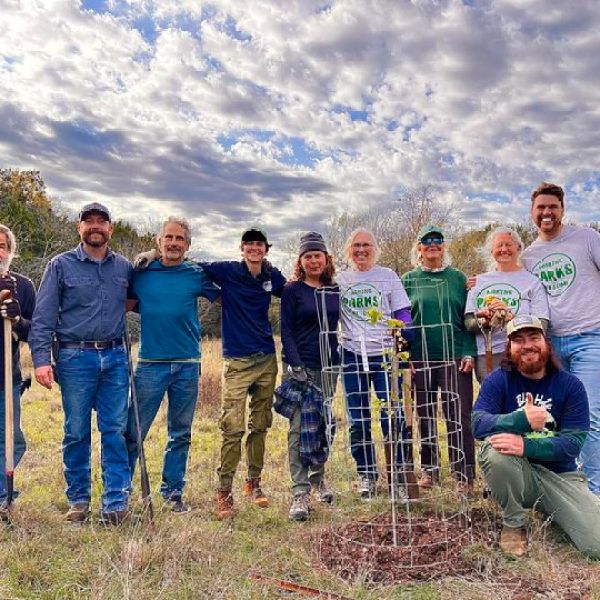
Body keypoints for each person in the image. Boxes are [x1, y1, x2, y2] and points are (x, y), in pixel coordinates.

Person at [30, 203, 132, 525]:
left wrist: (152, 259)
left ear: (111, 229)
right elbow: (43, 318)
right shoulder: (60, 266)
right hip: (75, 358)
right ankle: (78, 499)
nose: (95, 226)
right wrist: (42, 360)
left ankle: (115, 502)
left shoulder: (125, 268)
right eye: (89, 222)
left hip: (115, 357)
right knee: (76, 431)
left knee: (114, 429)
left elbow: (143, 293)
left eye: (102, 221)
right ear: (79, 228)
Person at [472, 314, 600, 558]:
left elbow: (572, 444)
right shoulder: (499, 380)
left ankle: (556, 512)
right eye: (518, 340)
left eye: (534, 337)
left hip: (560, 477)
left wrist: (525, 445)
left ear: (547, 344)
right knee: (495, 449)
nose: (527, 345)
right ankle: (514, 522)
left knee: (596, 545)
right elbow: (478, 424)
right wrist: (520, 420)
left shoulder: (570, 385)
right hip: (517, 472)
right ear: (509, 348)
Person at [125, 217, 219, 513]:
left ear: (187, 245)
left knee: (181, 432)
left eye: (180, 239)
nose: (174, 243)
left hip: (187, 364)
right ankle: (121, 489)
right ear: (159, 241)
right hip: (150, 363)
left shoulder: (195, 274)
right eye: (169, 238)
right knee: (133, 430)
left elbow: (226, 297)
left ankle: (172, 492)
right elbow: (121, 302)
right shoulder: (141, 272)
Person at [521, 182, 600, 496]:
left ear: (563, 209)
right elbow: (513, 281)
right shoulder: (529, 255)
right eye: (540, 207)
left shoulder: (587, 238)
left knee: (589, 415)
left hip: (589, 338)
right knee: (560, 417)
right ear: (532, 212)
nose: (546, 213)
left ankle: (594, 495)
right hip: (550, 346)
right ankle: (571, 486)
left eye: (552, 206)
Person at [200, 229, 286, 519]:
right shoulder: (227, 271)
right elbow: (193, 268)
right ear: (241, 248)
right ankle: (224, 491)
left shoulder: (271, 276)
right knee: (233, 427)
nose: (254, 248)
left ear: (265, 249)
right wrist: (215, 294)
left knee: (260, 424)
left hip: (265, 359)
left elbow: (295, 290)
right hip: (236, 362)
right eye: (249, 244)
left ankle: (255, 484)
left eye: (259, 244)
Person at [337, 228, 413, 500]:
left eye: (366, 245)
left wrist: (405, 335)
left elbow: (402, 312)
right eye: (356, 245)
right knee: (358, 419)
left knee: (393, 415)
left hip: (384, 355)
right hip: (352, 354)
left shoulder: (387, 276)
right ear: (348, 250)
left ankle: (399, 475)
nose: (361, 250)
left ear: (375, 248)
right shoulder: (340, 280)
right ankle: (366, 474)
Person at [402, 225, 476, 491]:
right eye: (427, 241)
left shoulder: (458, 279)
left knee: (459, 414)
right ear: (419, 248)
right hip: (421, 357)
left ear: (444, 247)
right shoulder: (408, 280)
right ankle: (430, 470)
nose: (433, 244)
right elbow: (401, 320)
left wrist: (468, 351)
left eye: (438, 240)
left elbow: (469, 318)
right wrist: (405, 354)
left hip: (455, 355)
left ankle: (463, 473)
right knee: (425, 415)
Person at [279, 232, 339, 521]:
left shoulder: (334, 289)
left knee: (324, 424)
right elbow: (286, 330)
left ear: (326, 259)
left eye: (318, 255)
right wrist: (295, 365)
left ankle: (319, 478)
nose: (314, 260)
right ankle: (300, 491)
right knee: (300, 426)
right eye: (308, 256)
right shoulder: (292, 290)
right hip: (300, 366)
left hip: (329, 365)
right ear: (301, 261)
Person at [465, 226, 550, 381]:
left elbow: (542, 324)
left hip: (523, 352)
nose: (504, 249)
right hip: (488, 356)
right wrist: (486, 319)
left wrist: (511, 317)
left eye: (509, 244)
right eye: (499, 245)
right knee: (492, 401)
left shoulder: (532, 282)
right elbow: (469, 323)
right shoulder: (478, 282)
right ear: (491, 251)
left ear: (518, 248)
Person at [0, 225, 35, 522]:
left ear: (11, 251)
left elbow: (35, 331)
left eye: (3, 245)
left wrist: (17, 318)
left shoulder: (22, 285)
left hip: (6, 379)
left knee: (13, 443)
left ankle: (3, 498)